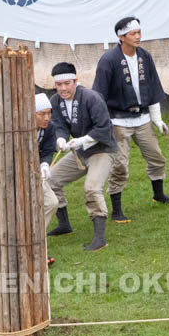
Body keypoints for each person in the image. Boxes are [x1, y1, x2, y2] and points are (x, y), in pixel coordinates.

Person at [92, 16, 169, 223]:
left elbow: (153, 88)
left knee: (157, 157)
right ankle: (116, 209)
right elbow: (99, 95)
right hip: (118, 121)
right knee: (120, 165)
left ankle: (158, 194)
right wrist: (102, 124)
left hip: (143, 119)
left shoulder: (144, 57)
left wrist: (157, 119)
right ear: (121, 37)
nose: (138, 37)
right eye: (133, 34)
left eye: (139, 32)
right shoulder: (108, 60)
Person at [45, 62, 117, 252]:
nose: (63, 88)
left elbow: (104, 129)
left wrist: (82, 140)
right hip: (80, 151)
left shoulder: (91, 98)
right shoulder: (56, 101)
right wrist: (61, 139)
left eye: (67, 83)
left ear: (76, 81)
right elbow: (58, 125)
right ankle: (64, 225)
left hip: (102, 150)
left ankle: (100, 238)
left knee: (92, 188)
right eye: (58, 84)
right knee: (50, 180)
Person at [35, 93, 58, 265]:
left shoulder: (50, 128)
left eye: (49, 113)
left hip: (36, 171)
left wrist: (44, 164)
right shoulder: (18, 128)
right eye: (42, 114)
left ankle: (34, 240)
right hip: (15, 172)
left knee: (51, 202)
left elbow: (49, 149)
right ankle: (36, 248)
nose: (47, 118)